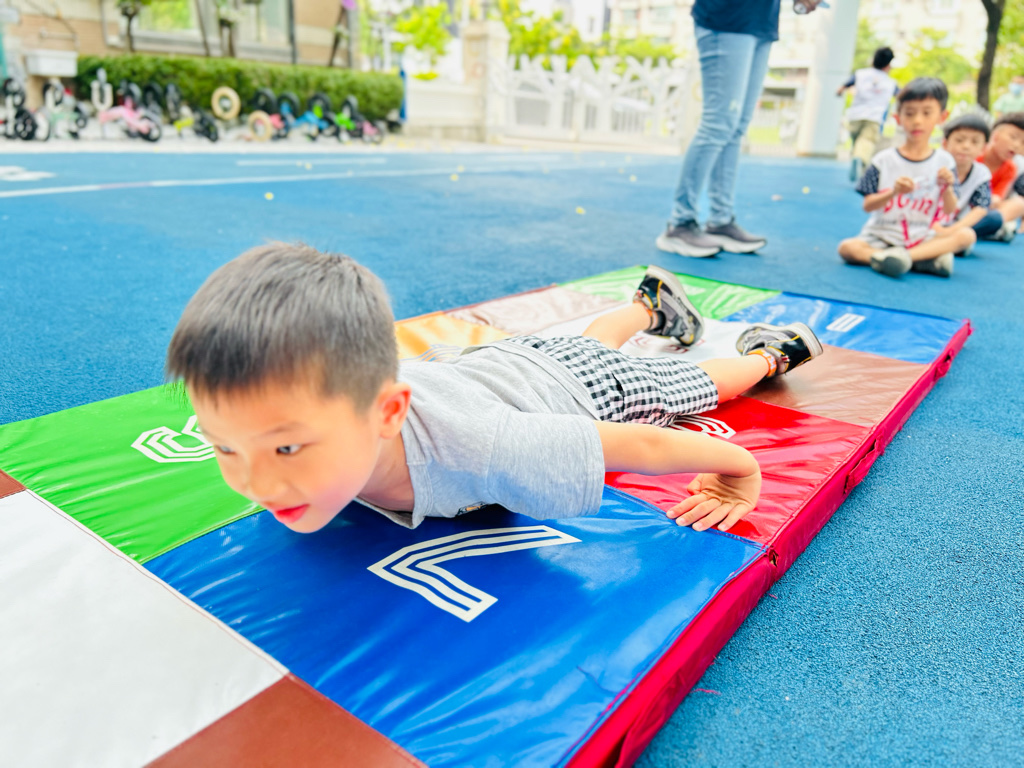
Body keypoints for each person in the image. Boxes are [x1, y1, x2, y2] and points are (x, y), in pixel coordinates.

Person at [167, 245, 824, 536]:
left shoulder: (482, 446)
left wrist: (738, 469)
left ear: (387, 415)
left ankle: (770, 353)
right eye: (225, 448)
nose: (253, 483)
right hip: (499, 367)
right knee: (589, 343)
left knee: (689, 384)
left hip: (581, 389)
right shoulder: (330, 407)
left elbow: (640, 445)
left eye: (285, 450)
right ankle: (649, 306)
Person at [656, 0, 826, 258]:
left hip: (760, 22)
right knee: (718, 124)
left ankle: (720, 220)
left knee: (735, 128)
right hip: (727, 18)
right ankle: (680, 223)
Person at [837, 77, 974, 278]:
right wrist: (893, 192)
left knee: (966, 235)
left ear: (942, 116)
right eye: (909, 113)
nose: (917, 120)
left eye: (927, 113)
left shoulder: (945, 161)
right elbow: (868, 206)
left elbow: (950, 210)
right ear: (898, 117)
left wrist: (948, 188)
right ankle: (922, 260)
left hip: (921, 237)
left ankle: (900, 258)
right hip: (881, 236)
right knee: (847, 248)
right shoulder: (882, 159)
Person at [836, 46, 899, 182]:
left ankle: (857, 159)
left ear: (873, 60)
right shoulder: (890, 83)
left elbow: (842, 87)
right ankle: (860, 160)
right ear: (888, 65)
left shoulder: (860, 74)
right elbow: (901, 96)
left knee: (857, 142)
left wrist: (840, 92)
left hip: (855, 115)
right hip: (875, 117)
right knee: (867, 142)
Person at [932, 113, 992, 253]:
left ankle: (944, 242)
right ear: (945, 143)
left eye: (974, 142)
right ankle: (945, 246)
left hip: (956, 223)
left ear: (983, 148)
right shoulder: (934, 164)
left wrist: (951, 230)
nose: (966, 146)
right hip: (928, 223)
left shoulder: (981, 173)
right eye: (959, 140)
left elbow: (981, 208)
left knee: (993, 219)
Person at [975, 112, 1024, 242]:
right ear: (995, 136)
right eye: (1013, 137)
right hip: (964, 205)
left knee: (1020, 203)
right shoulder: (975, 155)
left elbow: (997, 197)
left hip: (985, 208)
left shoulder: (1011, 168)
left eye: (1023, 142)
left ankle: (984, 227)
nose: (1017, 145)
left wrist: (993, 202)